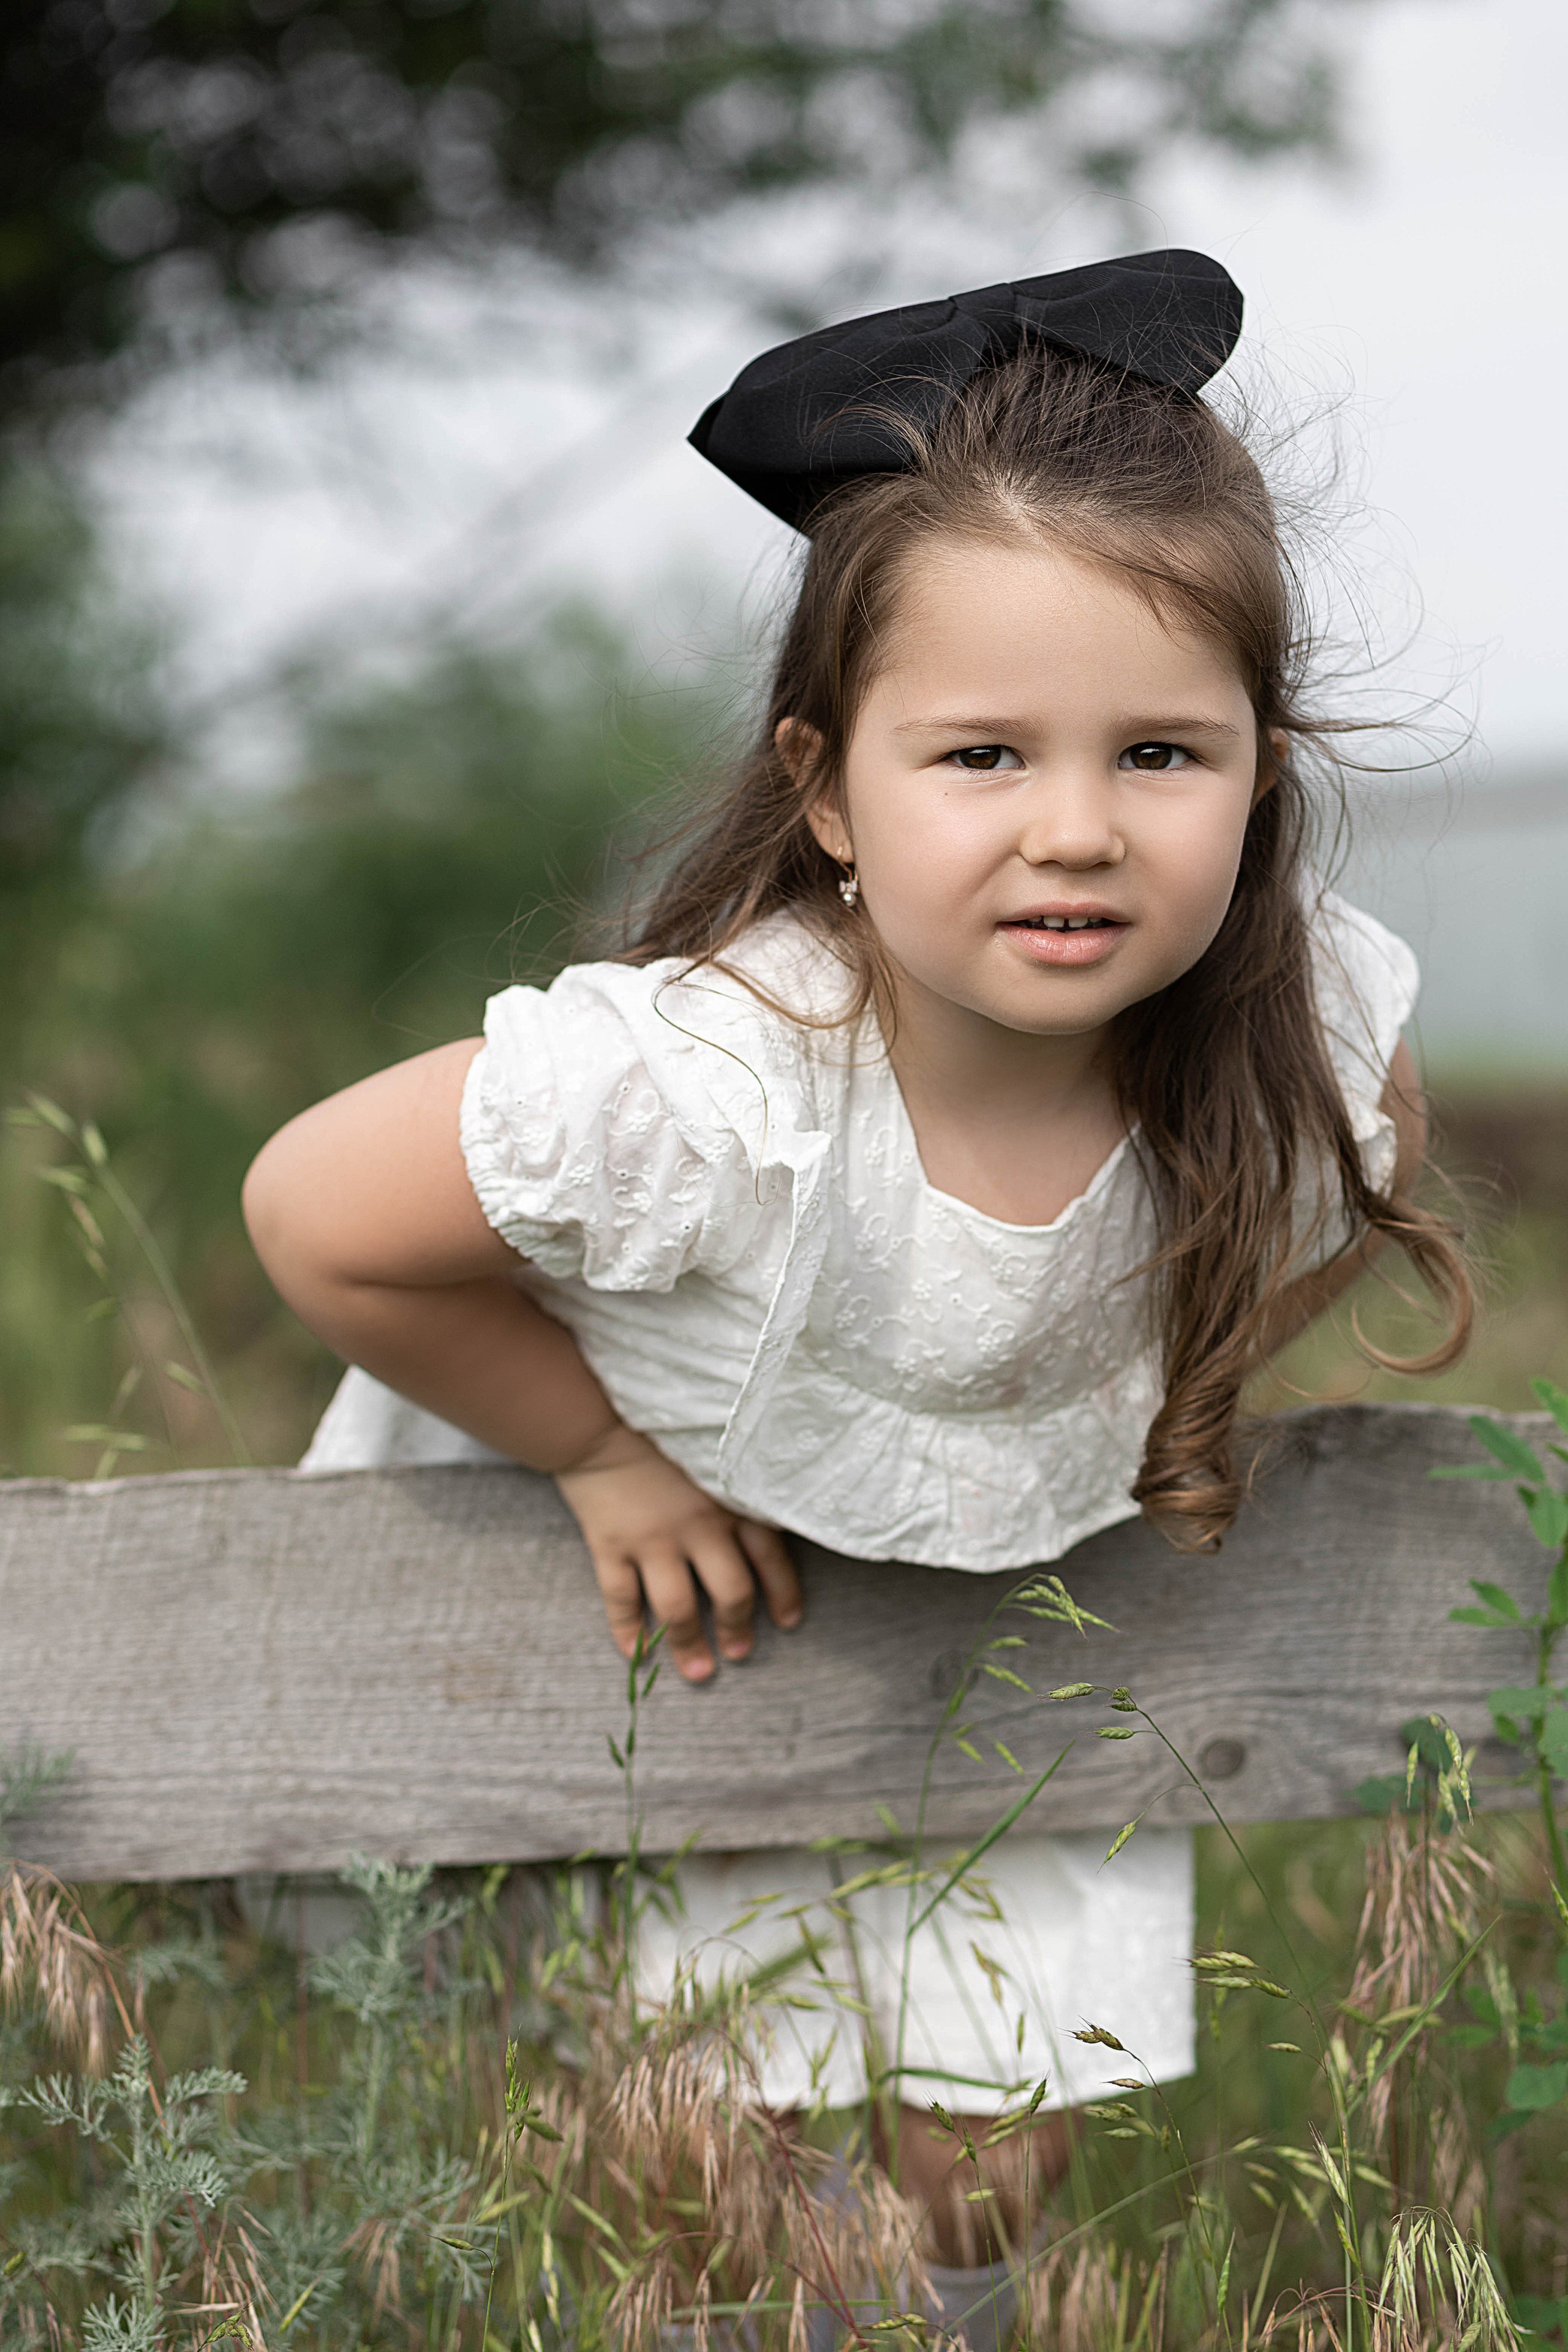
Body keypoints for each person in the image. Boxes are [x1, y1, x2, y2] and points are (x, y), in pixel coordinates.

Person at [243, 250, 1470, 2313]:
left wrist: (1173, 1375)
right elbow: (317, 1213)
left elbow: (1357, 1179)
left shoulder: (1288, 1040)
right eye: (981, 756)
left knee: (996, 2161)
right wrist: (605, 1459)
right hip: (703, 1613)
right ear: (826, 786)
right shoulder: (721, 1080)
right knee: (709, 2153)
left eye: (1160, 755)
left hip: (1007, 1626)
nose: (1075, 831)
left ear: (1262, 770)